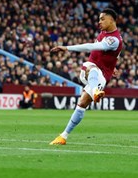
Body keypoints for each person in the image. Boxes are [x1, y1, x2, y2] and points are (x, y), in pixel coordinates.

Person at [49, 8, 122, 145]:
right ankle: (96, 92)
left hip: (102, 76)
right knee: (90, 67)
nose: (99, 22)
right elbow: (113, 55)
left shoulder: (114, 39)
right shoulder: (106, 33)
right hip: (93, 70)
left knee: (82, 104)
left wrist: (67, 48)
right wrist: (113, 66)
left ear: (111, 20)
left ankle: (63, 136)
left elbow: (91, 47)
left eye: (102, 19)